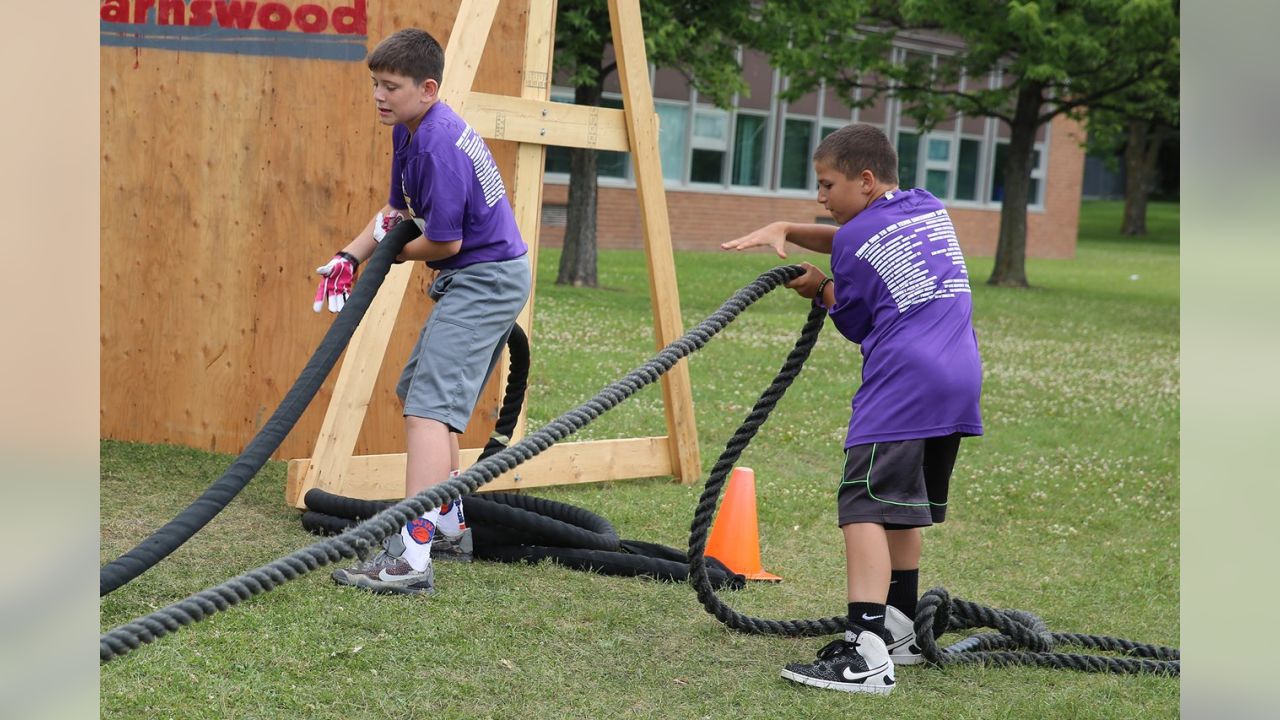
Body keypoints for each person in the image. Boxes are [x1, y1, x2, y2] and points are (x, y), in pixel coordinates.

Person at [721, 123, 982, 694]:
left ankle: (865, 653)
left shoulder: (853, 243)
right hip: (958, 377)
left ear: (864, 181)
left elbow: (855, 319)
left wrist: (818, 287)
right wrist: (789, 229)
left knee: (863, 505)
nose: (820, 197)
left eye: (826, 184)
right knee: (901, 508)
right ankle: (899, 630)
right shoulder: (926, 207)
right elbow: (852, 235)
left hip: (903, 384)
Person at [313, 28, 531, 595]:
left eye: (391, 86)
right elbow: (394, 212)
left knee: (429, 409)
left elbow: (444, 242)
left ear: (427, 88)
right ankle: (449, 526)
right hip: (478, 277)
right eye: (375, 86)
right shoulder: (411, 131)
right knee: (425, 396)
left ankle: (410, 557)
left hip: (483, 278)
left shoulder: (437, 143)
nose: (379, 97)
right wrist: (349, 256)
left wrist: (387, 257)